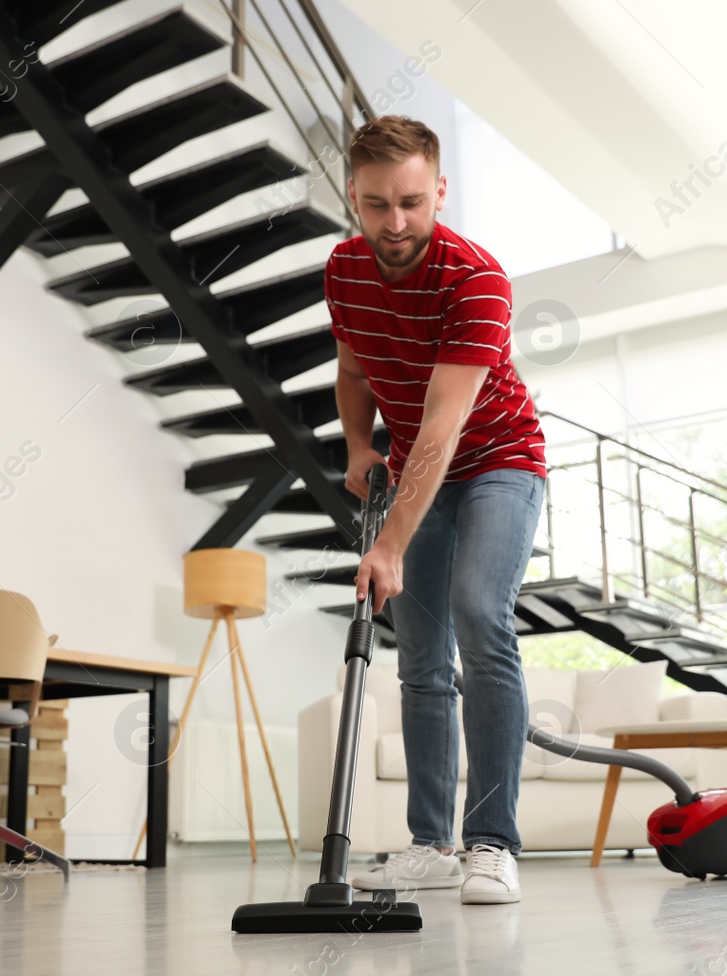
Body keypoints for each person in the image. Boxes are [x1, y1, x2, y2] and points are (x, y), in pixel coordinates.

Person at [324, 115, 547, 905]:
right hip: (425, 467)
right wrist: (357, 445)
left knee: (478, 611)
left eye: (412, 202)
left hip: (498, 463)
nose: (395, 223)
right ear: (353, 194)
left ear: (440, 191)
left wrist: (387, 545)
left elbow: (444, 428)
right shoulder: (344, 268)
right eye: (377, 204)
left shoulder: (475, 278)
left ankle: (492, 843)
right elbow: (353, 370)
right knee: (420, 656)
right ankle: (431, 843)